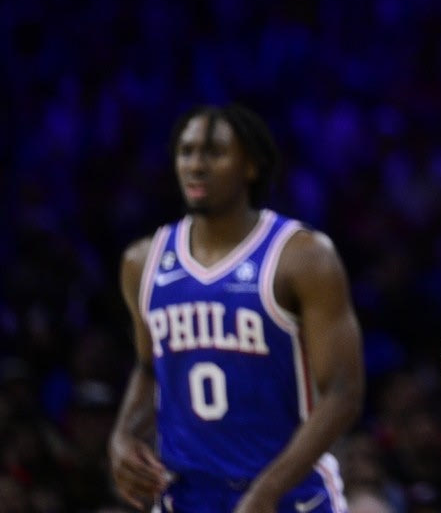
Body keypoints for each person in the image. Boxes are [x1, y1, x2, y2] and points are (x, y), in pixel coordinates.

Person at [108, 103, 365, 512]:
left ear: (251, 166)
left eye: (214, 152)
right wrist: (122, 437)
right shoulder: (143, 262)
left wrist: (266, 492)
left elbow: (343, 392)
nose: (196, 165)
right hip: (185, 494)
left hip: (287, 494)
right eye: (187, 152)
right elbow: (147, 368)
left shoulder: (303, 257)